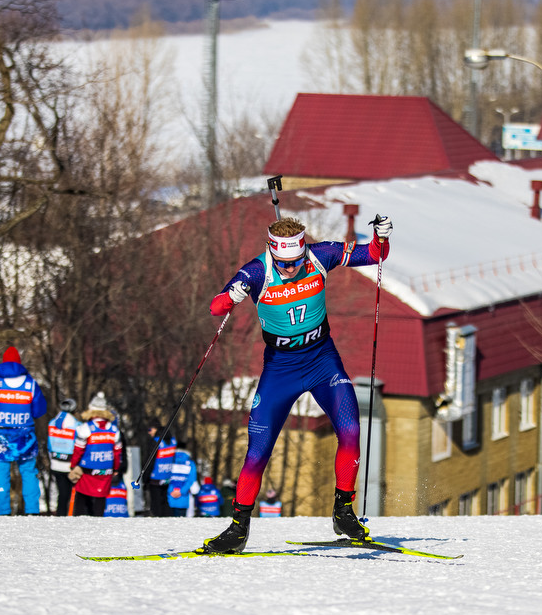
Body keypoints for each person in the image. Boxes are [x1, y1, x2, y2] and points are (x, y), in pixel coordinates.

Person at [202, 214, 392, 552]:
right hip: (281, 369)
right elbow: (216, 308)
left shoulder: (320, 255)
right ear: (272, 254)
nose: (290, 269)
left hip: (322, 360)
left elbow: (374, 255)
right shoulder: (257, 272)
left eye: (295, 263)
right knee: (257, 451)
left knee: (350, 430)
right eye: (283, 264)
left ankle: (343, 512)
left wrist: (380, 237)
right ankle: (237, 529)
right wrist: (233, 294)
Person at [0, 346, 48, 515]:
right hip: (25, 435)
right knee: (29, 472)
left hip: (0, 434)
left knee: (1, 471)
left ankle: (3, 511)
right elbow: (39, 411)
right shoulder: (30, 384)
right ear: (19, 363)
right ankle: (32, 510)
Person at [68, 392, 126, 517]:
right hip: (106, 471)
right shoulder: (114, 430)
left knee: (81, 498)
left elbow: (78, 450)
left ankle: (77, 523)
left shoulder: (85, 428)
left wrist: (73, 465)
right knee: (100, 499)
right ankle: (98, 522)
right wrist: (116, 468)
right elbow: (117, 453)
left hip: (87, 470)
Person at [46, 398, 80, 515]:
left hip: (55, 462)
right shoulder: (76, 425)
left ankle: (61, 515)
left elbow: (49, 446)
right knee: (73, 494)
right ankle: (72, 515)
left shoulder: (52, 423)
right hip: (70, 464)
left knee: (62, 493)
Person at [141, 425, 176, 517]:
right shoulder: (172, 441)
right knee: (164, 500)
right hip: (167, 475)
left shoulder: (156, 442)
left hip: (156, 476)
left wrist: (145, 477)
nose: (150, 432)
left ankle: (158, 519)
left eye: (150, 429)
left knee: (156, 502)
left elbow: (150, 461)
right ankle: (167, 518)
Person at [166, 441, 199, 517]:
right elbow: (192, 479)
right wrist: (181, 491)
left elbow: (166, 477)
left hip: (169, 498)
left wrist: (171, 490)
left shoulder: (170, 460)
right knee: (181, 524)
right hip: (183, 498)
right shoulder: (190, 463)